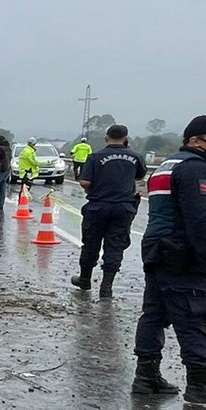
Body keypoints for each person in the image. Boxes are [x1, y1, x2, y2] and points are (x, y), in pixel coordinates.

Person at [132, 116, 206, 405]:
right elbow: (201, 219)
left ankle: (146, 376)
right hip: (183, 254)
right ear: (196, 141)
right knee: (194, 317)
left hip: (157, 249)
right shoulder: (197, 169)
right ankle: (199, 383)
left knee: (154, 315)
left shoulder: (168, 166)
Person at [72, 124, 146, 297]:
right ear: (126, 138)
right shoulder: (136, 157)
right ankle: (106, 286)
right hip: (123, 208)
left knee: (91, 244)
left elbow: (84, 182)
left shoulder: (95, 157)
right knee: (115, 246)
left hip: (98, 207)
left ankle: (85, 279)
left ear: (106, 138)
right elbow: (139, 176)